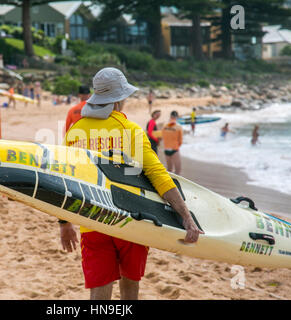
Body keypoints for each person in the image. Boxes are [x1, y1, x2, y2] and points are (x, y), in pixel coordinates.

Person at [60, 68, 203, 300]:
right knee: (130, 287)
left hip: (91, 219)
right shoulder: (130, 131)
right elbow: (158, 175)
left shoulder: (74, 133)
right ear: (119, 99)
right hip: (131, 220)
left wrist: (64, 223)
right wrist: (186, 217)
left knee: (99, 289)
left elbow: (66, 178)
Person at [161, 111, 183, 175]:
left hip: (166, 149)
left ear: (170, 116)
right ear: (177, 117)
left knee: (169, 170)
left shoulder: (165, 125)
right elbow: (180, 140)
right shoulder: (178, 126)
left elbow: (163, 136)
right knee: (178, 171)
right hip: (174, 149)